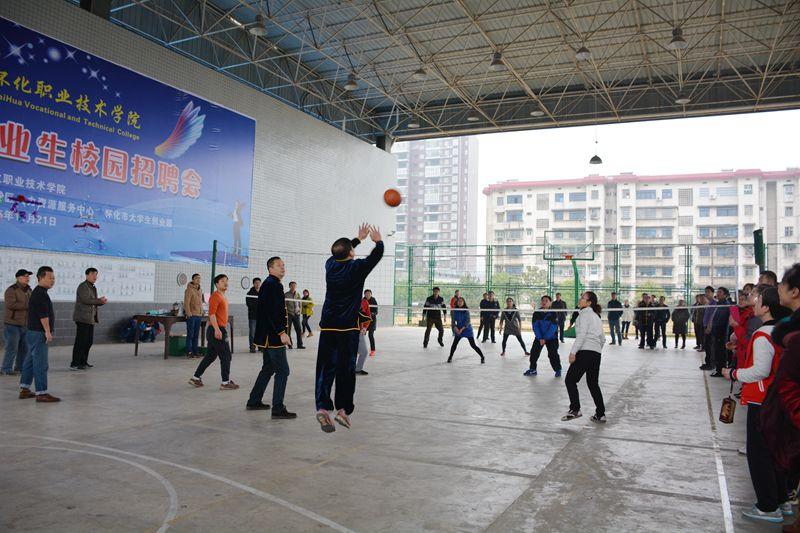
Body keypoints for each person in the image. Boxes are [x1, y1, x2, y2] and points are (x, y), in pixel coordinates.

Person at [722, 286, 791, 523]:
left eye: (757, 298)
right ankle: (781, 500)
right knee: (774, 452)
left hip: (762, 401)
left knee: (760, 454)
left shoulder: (763, 335)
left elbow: (760, 371)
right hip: (778, 399)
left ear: (766, 306)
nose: (753, 301)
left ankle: (767, 506)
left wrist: (734, 374)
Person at [315, 224, 383, 433]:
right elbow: (375, 257)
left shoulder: (330, 265)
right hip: (347, 329)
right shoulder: (356, 268)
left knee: (325, 368)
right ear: (351, 253)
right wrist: (378, 241)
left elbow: (339, 253)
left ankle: (323, 407)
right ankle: (343, 410)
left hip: (328, 327)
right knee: (346, 370)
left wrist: (357, 240)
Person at [763, 263, 800, 531]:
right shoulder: (787, 333)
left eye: (782, 285)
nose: (778, 289)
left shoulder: (794, 339)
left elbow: (788, 387)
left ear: (794, 291)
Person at [248, 256, 297, 419]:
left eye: (283, 265)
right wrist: (281, 332)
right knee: (283, 370)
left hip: (268, 336)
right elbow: (272, 312)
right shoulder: (272, 285)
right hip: (273, 337)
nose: (283, 267)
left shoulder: (271, 283)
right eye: (279, 265)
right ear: (270, 268)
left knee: (268, 368)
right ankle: (277, 408)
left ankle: (254, 400)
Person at [189, 274, 239, 390]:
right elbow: (211, 314)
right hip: (216, 330)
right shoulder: (216, 296)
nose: (225, 283)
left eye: (226, 281)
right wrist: (217, 329)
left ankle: (195, 378)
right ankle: (225, 383)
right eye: (222, 281)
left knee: (210, 356)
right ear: (216, 284)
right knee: (226, 356)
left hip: (217, 329)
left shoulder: (222, 296)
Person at [562, 291, 606, 423]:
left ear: (589, 303)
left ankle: (575, 409)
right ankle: (600, 414)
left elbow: (581, 335)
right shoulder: (596, 317)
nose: (580, 299)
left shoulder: (584, 315)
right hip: (596, 354)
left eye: (583, 298)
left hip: (585, 352)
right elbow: (603, 339)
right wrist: (596, 350)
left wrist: (573, 352)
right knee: (593, 384)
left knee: (570, 380)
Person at [19, 266, 60, 402]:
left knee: (30, 361)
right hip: (39, 333)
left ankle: (25, 389)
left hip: (33, 332)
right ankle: (41, 393)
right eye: (50, 278)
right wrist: (47, 332)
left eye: (53, 278)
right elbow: (43, 315)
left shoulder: (39, 292)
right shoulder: (40, 294)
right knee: (41, 363)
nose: (52, 280)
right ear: (40, 278)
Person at [70, 268, 108, 370]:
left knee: (88, 342)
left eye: (96, 274)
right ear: (87, 275)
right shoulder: (83, 286)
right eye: (92, 274)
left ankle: (83, 362)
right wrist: (99, 301)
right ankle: (75, 363)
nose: (95, 276)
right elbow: (86, 300)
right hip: (82, 318)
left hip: (90, 318)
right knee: (81, 341)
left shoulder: (92, 287)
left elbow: (92, 301)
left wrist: (100, 302)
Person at [2, 269, 32, 376]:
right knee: (12, 348)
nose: (28, 278)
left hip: (25, 324)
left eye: (28, 276)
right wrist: (28, 306)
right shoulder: (11, 290)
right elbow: (10, 305)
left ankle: (19, 368)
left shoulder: (29, 290)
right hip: (12, 324)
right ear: (18, 278)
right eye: (25, 276)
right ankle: (6, 368)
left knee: (24, 348)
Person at [526, 295, 561, 377]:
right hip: (539, 337)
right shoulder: (537, 313)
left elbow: (553, 327)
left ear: (550, 302)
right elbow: (535, 326)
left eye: (546, 300)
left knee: (553, 354)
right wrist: (540, 338)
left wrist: (545, 338)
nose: (544, 302)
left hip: (551, 338)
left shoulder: (554, 313)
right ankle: (533, 369)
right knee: (534, 353)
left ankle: (558, 370)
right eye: (542, 300)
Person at [448, 297, 484, 364]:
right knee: (454, 344)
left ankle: (482, 357)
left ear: (464, 302)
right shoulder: (454, 310)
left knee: (473, 345)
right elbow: (453, 322)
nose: (460, 302)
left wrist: (462, 329)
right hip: (458, 329)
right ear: (457, 302)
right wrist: (455, 328)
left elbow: (468, 321)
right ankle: (450, 357)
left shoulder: (466, 310)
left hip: (467, 329)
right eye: (459, 301)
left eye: (461, 301)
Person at [711, 287, 733, 377]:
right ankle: (718, 369)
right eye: (717, 292)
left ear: (725, 295)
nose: (718, 293)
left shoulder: (725, 305)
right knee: (717, 351)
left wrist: (716, 329)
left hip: (722, 331)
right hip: (717, 331)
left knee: (721, 352)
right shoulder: (719, 304)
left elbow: (722, 320)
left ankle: (720, 370)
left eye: (720, 292)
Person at [183, 273, 203, 359]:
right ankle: (189, 351)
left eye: (199, 278)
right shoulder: (189, 290)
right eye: (196, 278)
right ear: (193, 279)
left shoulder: (200, 290)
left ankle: (195, 351)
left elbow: (201, 302)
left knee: (196, 335)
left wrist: (201, 312)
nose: (198, 280)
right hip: (192, 316)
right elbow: (186, 303)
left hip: (198, 315)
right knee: (190, 335)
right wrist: (189, 314)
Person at [355, 296, 373, 376]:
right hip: (346, 332)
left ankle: (358, 369)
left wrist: (365, 327)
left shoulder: (364, 302)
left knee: (364, 352)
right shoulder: (344, 300)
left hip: (359, 331)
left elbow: (368, 316)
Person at [700, 286, 718, 370]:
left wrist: (709, 327)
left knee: (710, 346)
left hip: (710, 327)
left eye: (708, 292)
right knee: (706, 345)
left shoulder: (714, 303)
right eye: (705, 292)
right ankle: (707, 362)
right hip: (706, 326)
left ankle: (711, 364)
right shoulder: (709, 303)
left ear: (713, 293)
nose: (706, 294)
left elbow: (712, 317)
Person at [285, 281, 305, 349]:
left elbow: (300, 303)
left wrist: (300, 311)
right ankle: (289, 345)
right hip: (289, 314)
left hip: (296, 314)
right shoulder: (286, 294)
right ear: (289, 286)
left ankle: (300, 345)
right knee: (288, 330)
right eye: (292, 285)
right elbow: (284, 304)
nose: (293, 287)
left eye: (294, 285)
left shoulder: (298, 294)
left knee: (299, 330)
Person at [246, 277, 261, 352]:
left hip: (261, 316)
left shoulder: (263, 292)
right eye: (256, 283)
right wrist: (259, 306)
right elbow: (249, 305)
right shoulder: (249, 293)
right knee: (252, 333)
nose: (257, 284)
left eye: (259, 283)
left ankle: (261, 347)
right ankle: (252, 347)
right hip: (253, 316)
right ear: (253, 284)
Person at [364, 289, 378, 356]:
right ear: (364, 294)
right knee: (361, 336)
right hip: (364, 321)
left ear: (371, 294)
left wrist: (370, 314)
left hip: (372, 321)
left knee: (370, 335)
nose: (368, 295)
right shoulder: (363, 300)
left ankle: (373, 350)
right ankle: (359, 350)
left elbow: (376, 312)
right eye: (366, 293)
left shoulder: (373, 301)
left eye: (369, 293)